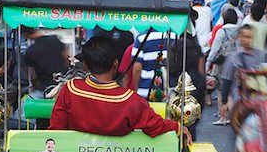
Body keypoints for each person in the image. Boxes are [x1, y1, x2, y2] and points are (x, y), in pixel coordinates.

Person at [49, 37, 192, 143]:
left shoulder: (71, 89)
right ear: (115, 64)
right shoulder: (130, 99)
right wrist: (178, 127)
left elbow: (56, 128)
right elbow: (155, 126)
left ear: (85, 65)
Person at [218, 25, 267, 124]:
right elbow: (226, 80)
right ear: (239, 37)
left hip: (258, 99)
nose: (247, 40)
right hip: (239, 101)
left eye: (249, 37)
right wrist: (224, 102)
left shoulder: (261, 55)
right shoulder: (233, 57)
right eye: (245, 36)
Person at [206, 9, 239, 119]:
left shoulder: (222, 32)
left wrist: (208, 62)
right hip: (236, 63)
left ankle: (223, 117)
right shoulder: (241, 31)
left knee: (222, 90)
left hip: (222, 64)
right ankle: (233, 116)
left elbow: (215, 50)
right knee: (232, 90)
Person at [23, 26, 68, 98]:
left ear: (25, 35)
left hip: (45, 88)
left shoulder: (30, 51)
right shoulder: (55, 39)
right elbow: (66, 58)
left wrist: (34, 87)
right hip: (63, 84)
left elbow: (32, 75)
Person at [132, 30, 174, 99]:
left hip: (145, 90)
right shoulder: (174, 36)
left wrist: (136, 89)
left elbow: (137, 68)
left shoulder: (141, 38)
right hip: (168, 91)